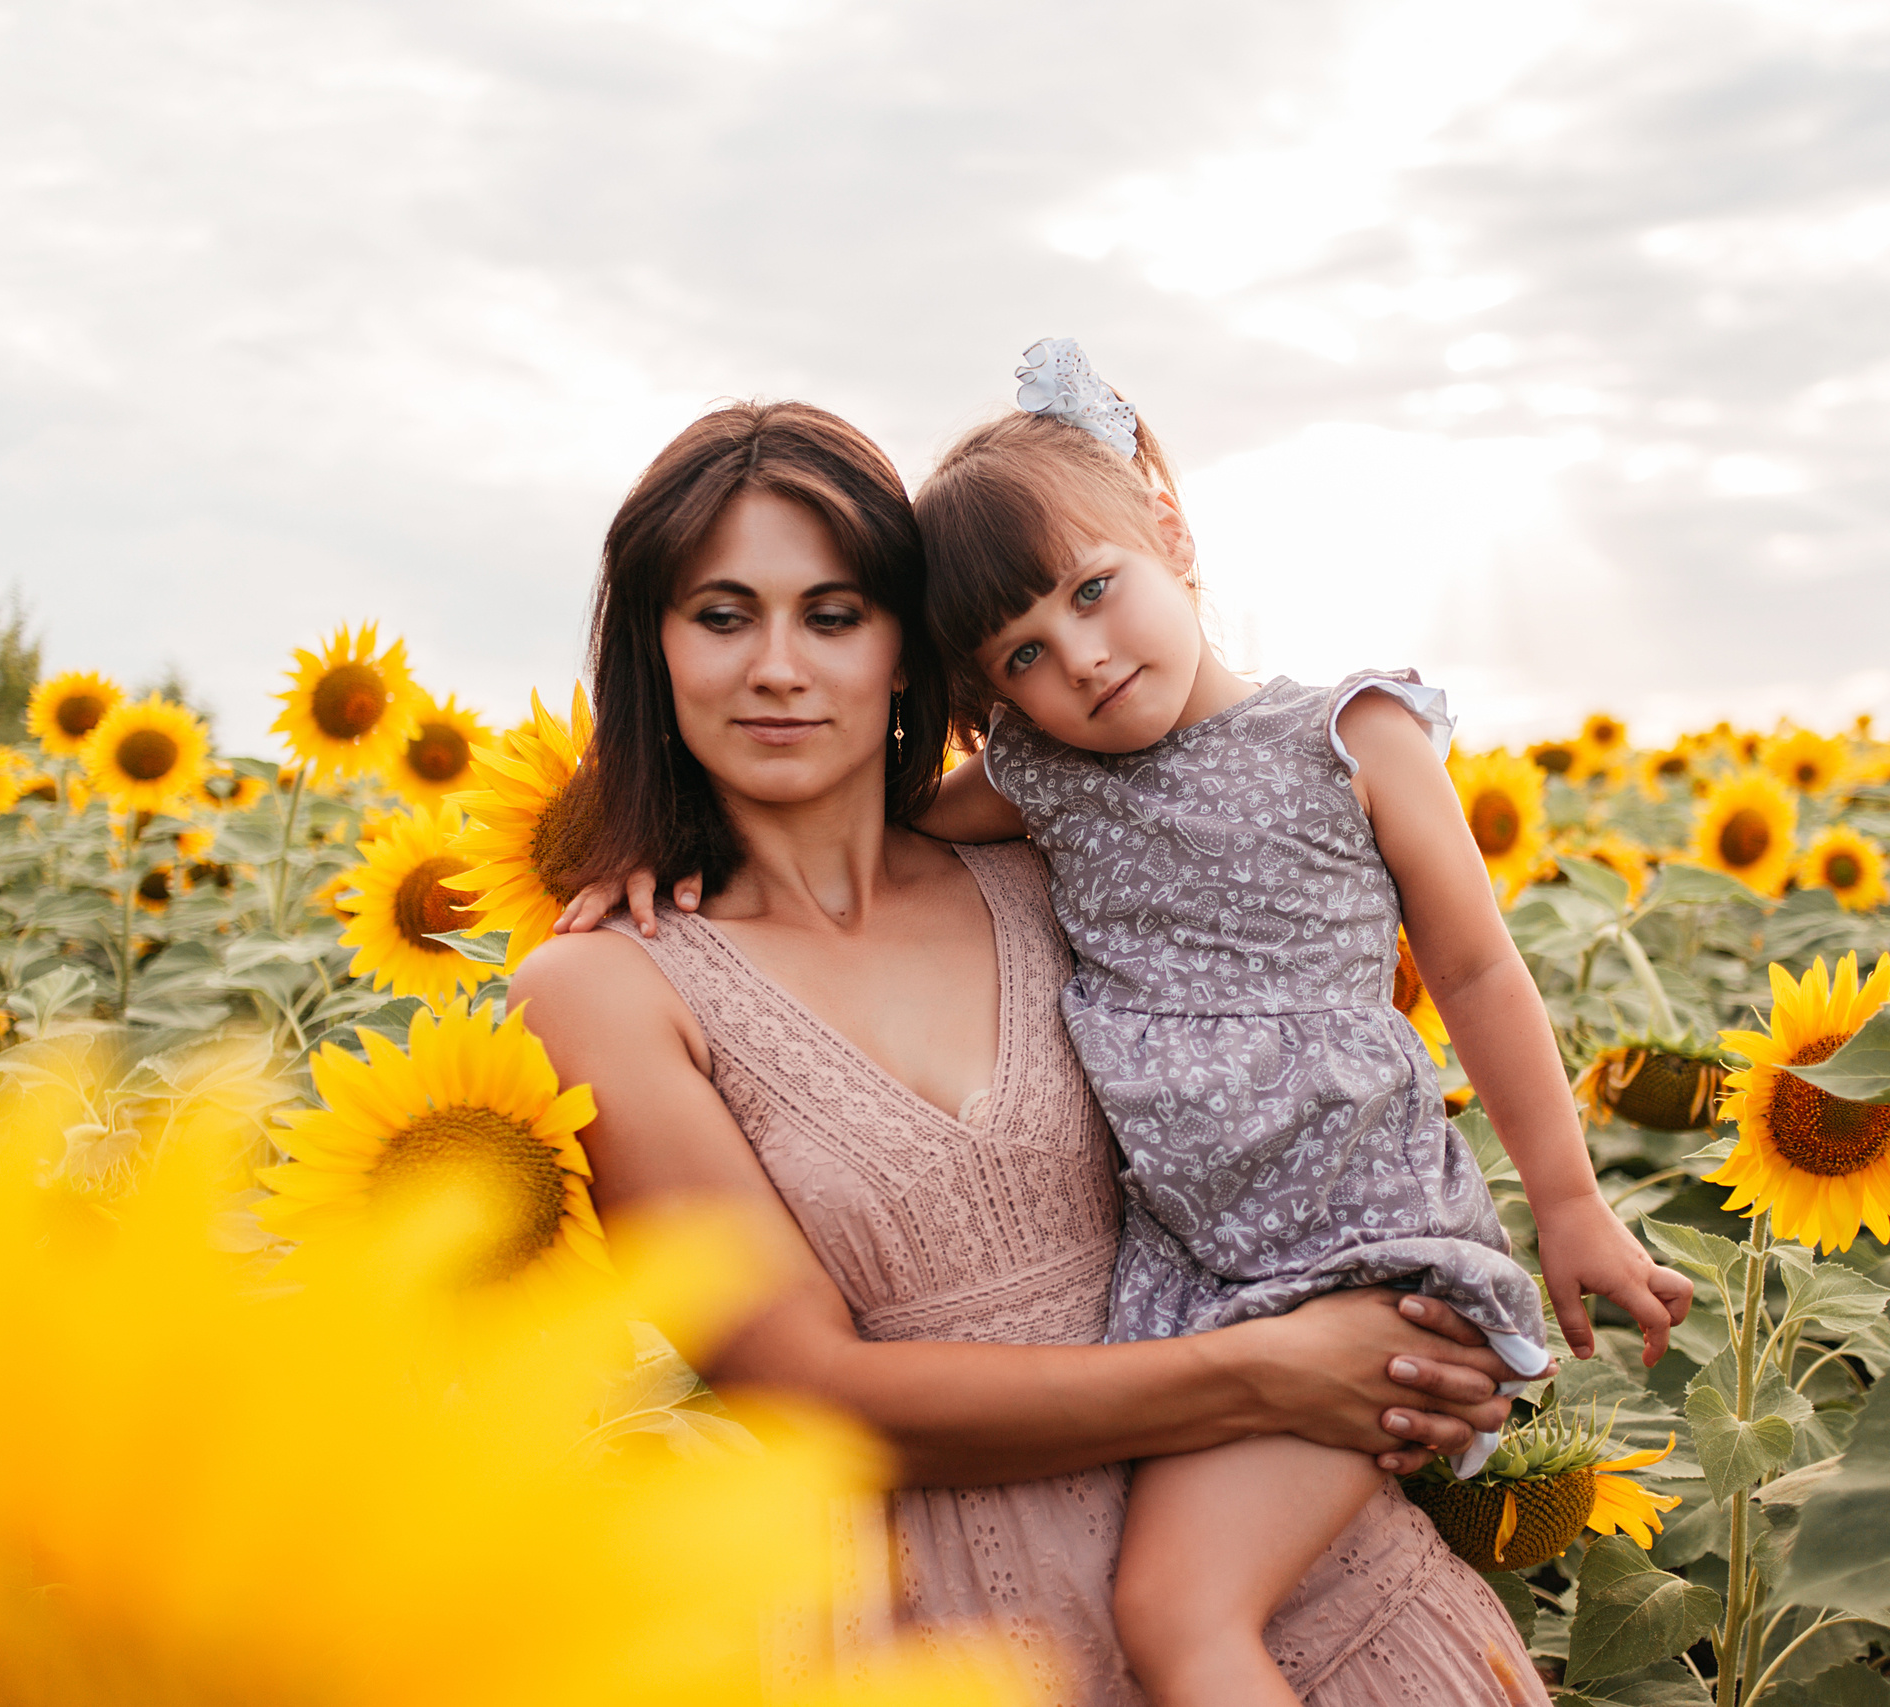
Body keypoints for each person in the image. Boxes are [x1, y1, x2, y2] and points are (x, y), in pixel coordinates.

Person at [520, 399, 1558, 1706]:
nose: (778, 667)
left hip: (1344, 1618)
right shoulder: (607, 983)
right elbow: (801, 1392)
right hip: (968, 1651)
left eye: (833, 614)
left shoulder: (1055, 860)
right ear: (655, 653)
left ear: (908, 650)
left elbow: (1335, 1030)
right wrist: (1273, 1370)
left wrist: (1421, 1329)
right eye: (721, 616)